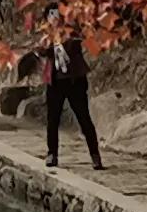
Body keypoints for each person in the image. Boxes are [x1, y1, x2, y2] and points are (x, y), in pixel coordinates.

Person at [40, 30, 102, 171]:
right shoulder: (46, 31)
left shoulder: (71, 29)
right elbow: (44, 51)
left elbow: (74, 44)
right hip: (55, 81)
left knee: (83, 117)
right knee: (52, 119)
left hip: (75, 79)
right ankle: (52, 153)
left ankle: (95, 154)